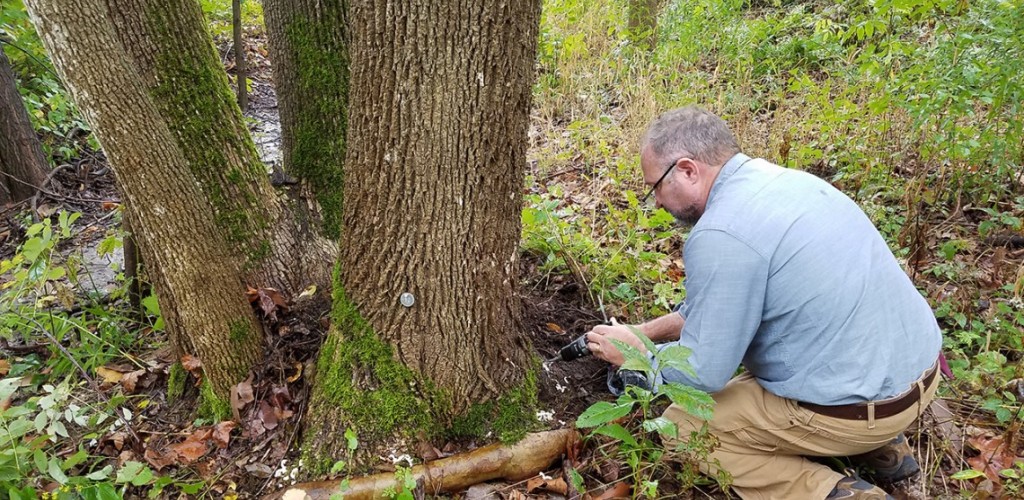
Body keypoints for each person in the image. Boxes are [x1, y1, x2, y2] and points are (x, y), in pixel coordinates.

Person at [584, 106, 943, 500]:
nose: (656, 204)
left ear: (687, 170)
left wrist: (639, 358)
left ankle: (831, 490)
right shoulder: (788, 184)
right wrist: (644, 333)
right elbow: (715, 310)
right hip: (918, 377)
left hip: (860, 409)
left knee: (681, 427)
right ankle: (883, 447)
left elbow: (704, 373)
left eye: (655, 187)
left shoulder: (722, 232)